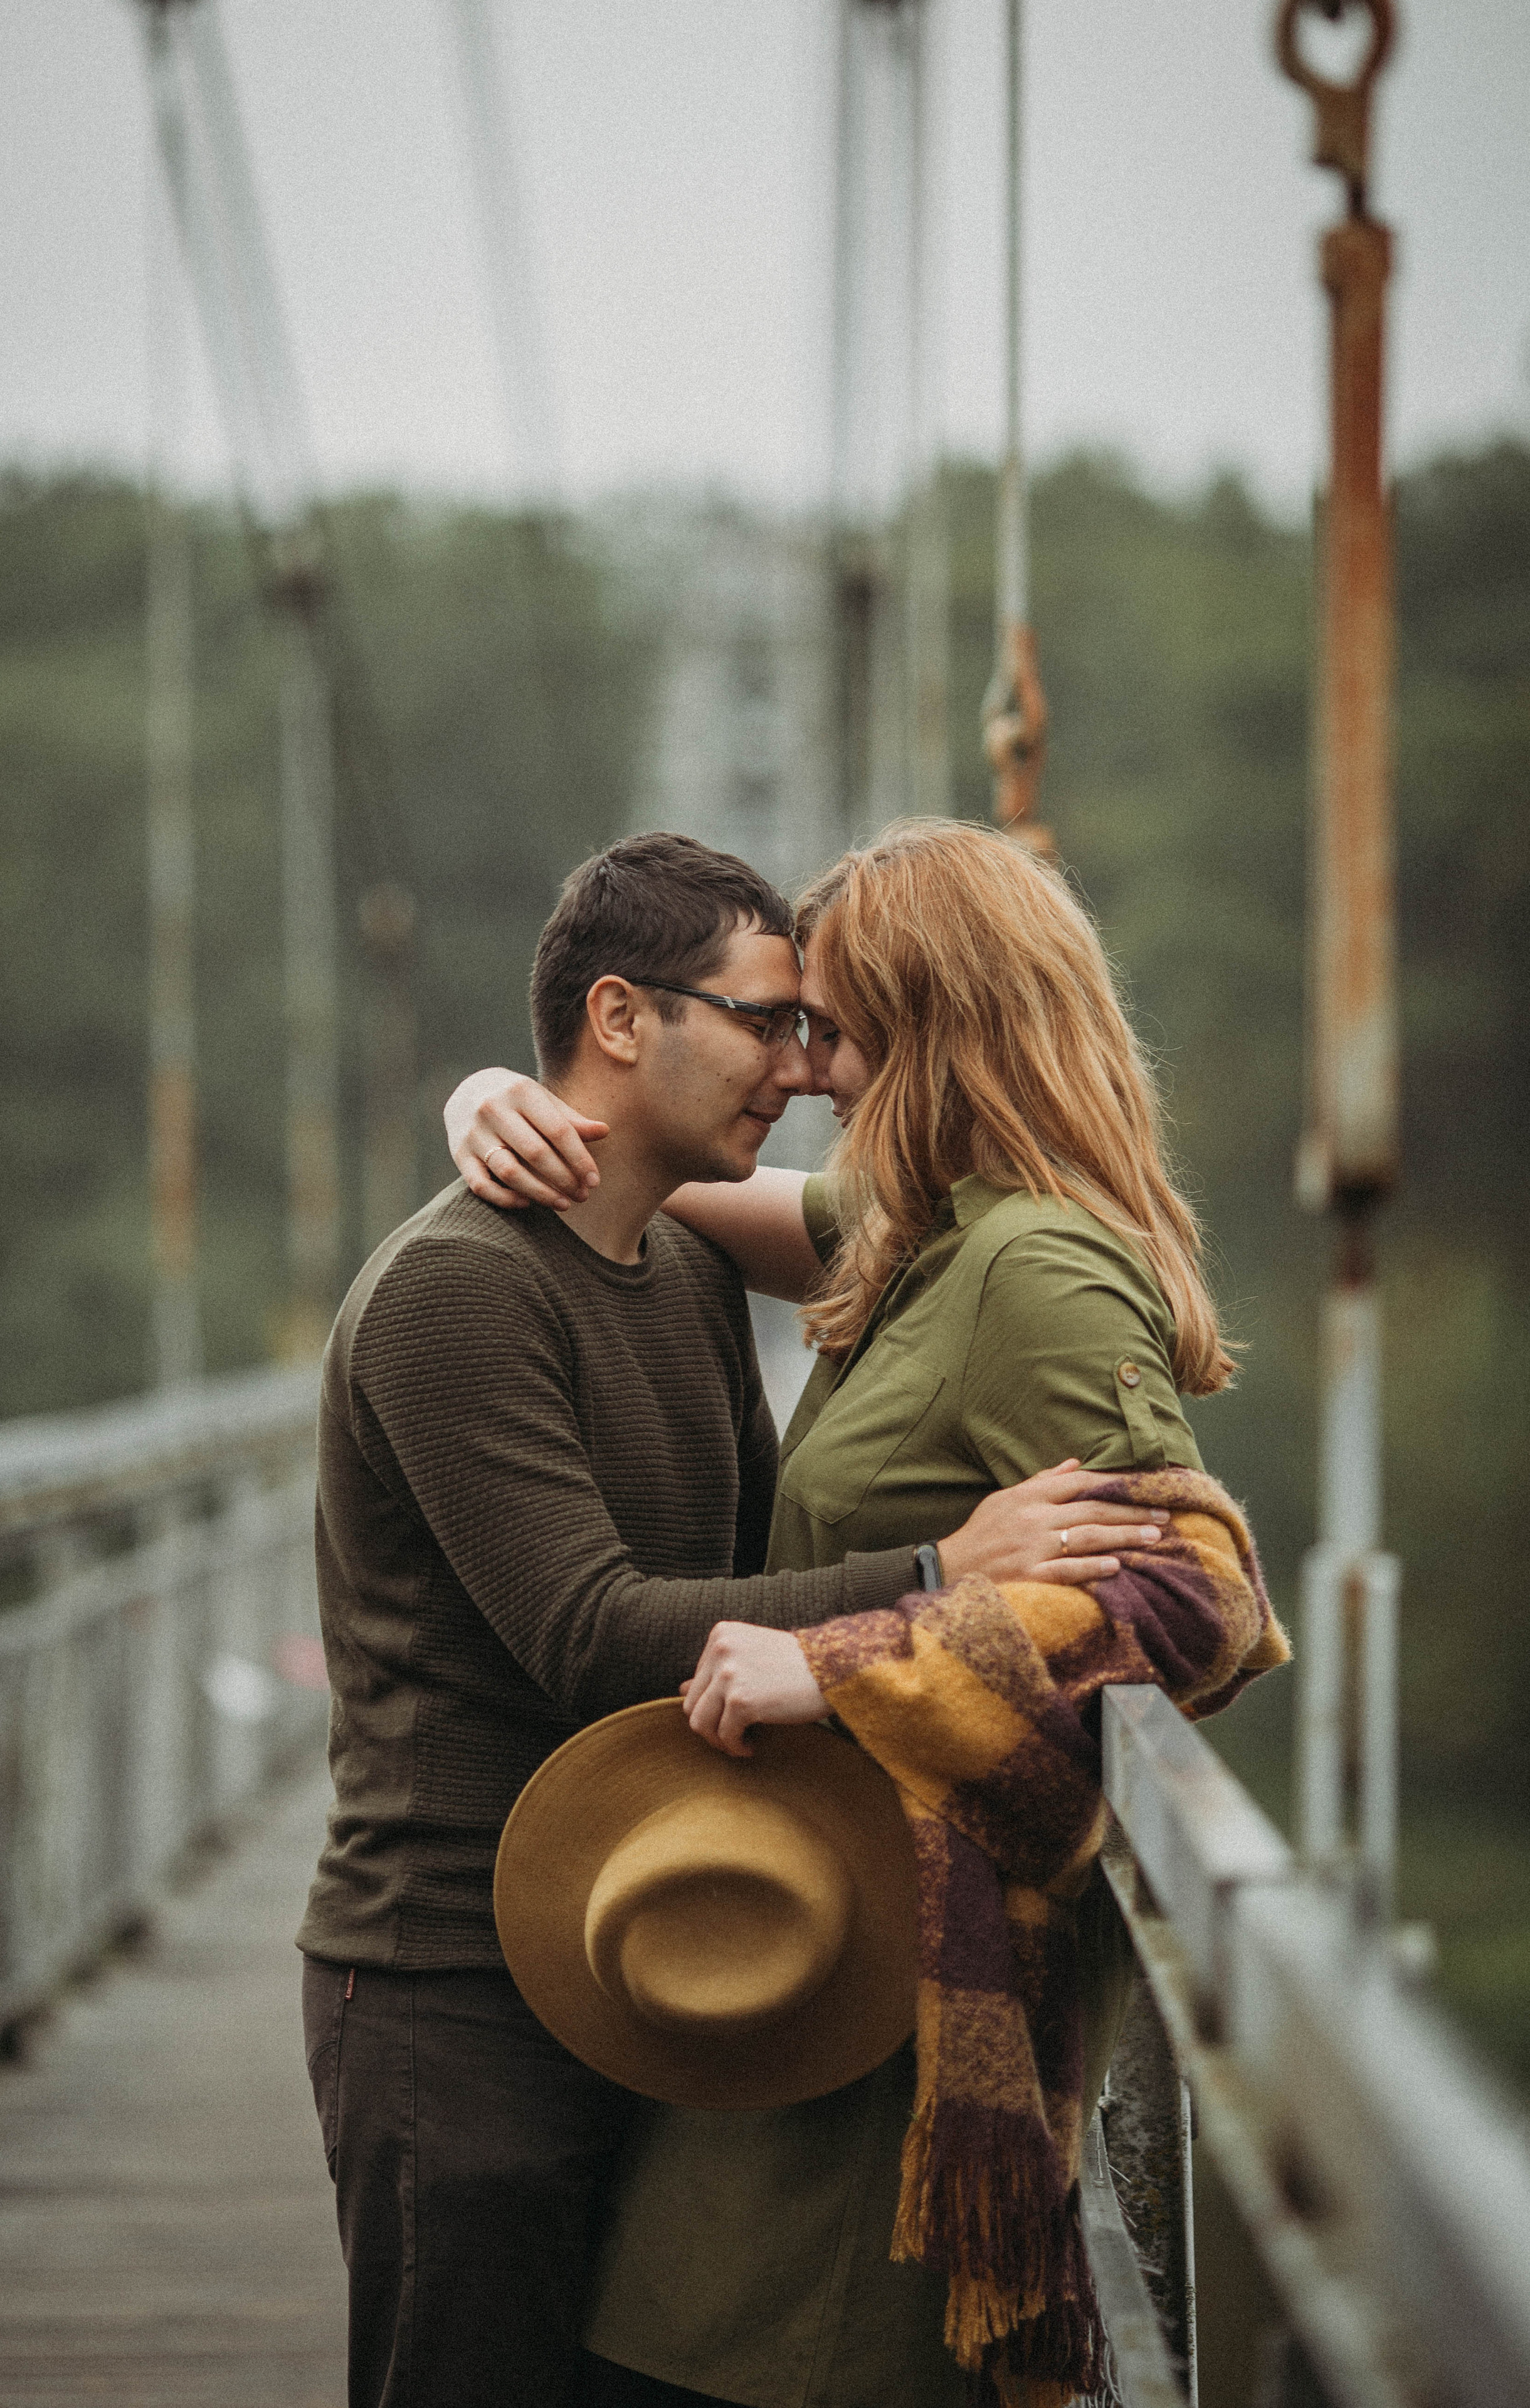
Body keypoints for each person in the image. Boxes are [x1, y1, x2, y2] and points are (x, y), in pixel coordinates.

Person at [300, 829, 1157, 2408]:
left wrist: (498, 1089)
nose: (802, 1067)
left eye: (815, 1027)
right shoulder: (454, 1294)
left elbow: (762, 1531)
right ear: (625, 1020)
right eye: (767, 1022)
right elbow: (591, 1629)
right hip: (455, 1983)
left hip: (645, 1932)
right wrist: (930, 1582)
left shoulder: (684, 1259)